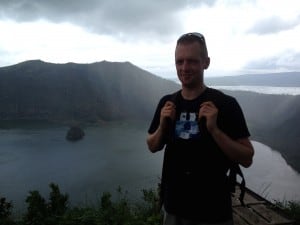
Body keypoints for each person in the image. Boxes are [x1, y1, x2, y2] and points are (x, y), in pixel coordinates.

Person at [147, 32, 254, 225]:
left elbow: (247, 157)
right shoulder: (167, 103)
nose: (184, 68)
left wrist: (215, 130)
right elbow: (152, 145)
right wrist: (163, 127)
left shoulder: (225, 104)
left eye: (192, 61)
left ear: (206, 62)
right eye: (179, 62)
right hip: (174, 209)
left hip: (213, 212)